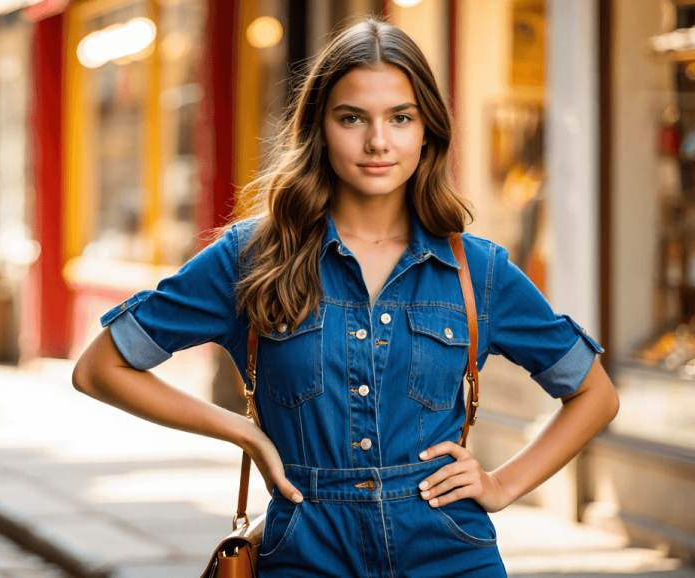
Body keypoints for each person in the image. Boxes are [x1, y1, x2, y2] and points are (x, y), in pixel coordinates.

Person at [72, 18, 619, 577]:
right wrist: (243, 431)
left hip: (449, 552)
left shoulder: (476, 271)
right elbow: (100, 368)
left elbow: (594, 394)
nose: (378, 141)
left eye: (400, 118)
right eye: (352, 117)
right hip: (307, 552)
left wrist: (501, 484)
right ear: (319, 127)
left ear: (426, 130)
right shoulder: (253, 256)